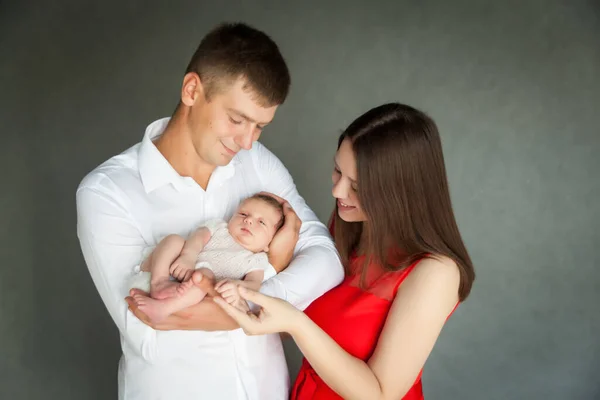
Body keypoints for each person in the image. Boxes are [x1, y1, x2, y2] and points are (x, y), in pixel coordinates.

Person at [76, 22, 343, 400]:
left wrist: (247, 298)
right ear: (191, 91)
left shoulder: (258, 164)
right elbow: (146, 320)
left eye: (260, 127)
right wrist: (276, 273)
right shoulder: (106, 192)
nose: (248, 141)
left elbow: (326, 261)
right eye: (236, 120)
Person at [215, 103, 476, 400]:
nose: (337, 192)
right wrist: (277, 258)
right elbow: (291, 320)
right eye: (338, 171)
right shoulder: (352, 230)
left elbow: (381, 394)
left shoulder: (436, 273)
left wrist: (295, 323)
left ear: (399, 190)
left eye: (358, 186)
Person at [129, 193, 286, 323]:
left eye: (261, 222)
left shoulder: (257, 259)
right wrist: (188, 256)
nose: (248, 220)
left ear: (269, 244)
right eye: (243, 214)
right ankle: (159, 281)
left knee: (204, 278)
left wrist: (236, 286)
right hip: (179, 265)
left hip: (198, 287)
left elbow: (254, 284)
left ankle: (164, 309)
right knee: (174, 240)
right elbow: (197, 238)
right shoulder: (219, 227)